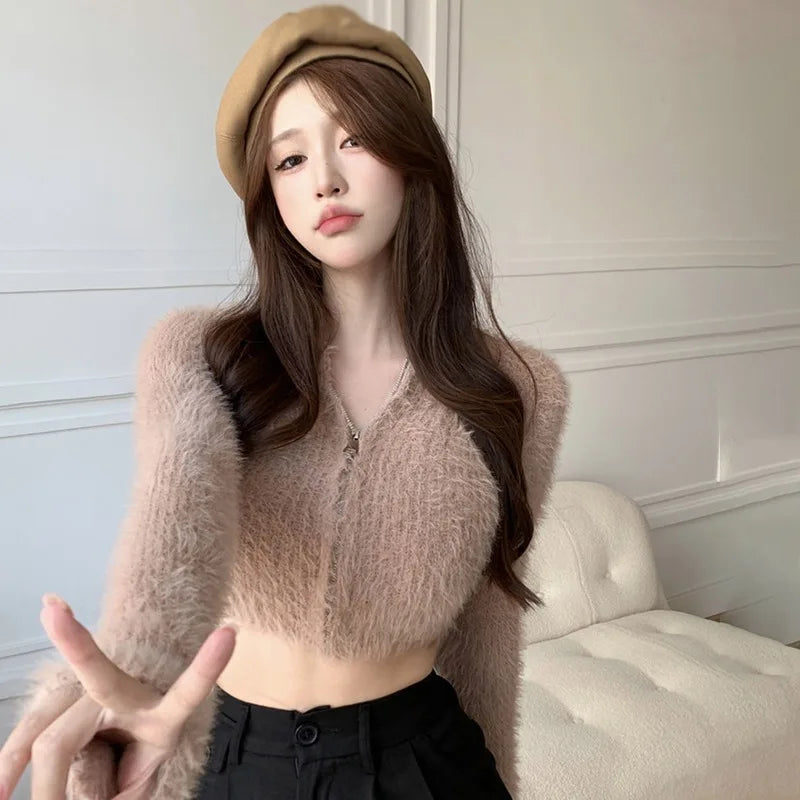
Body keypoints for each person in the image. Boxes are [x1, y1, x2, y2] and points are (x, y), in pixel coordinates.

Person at [0, 4, 571, 799]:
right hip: (237, 759)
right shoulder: (202, 353)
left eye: (354, 139)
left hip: (427, 759)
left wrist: (498, 778)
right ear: (269, 194)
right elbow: (174, 537)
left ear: (411, 154)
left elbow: (488, 629)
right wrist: (133, 670)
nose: (325, 178)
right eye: (290, 159)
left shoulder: (518, 387)